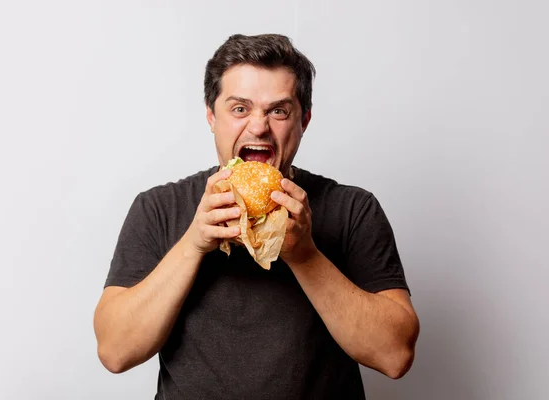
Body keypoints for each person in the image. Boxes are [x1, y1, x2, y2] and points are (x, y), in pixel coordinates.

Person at [93, 33, 420, 399]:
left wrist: (305, 255)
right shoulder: (158, 208)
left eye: (278, 111)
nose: (259, 126)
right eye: (239, 109)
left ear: (304, 121)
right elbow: (115, 352)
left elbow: (395, 356)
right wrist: (194, 244)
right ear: (210, 116)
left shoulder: (353, 209)